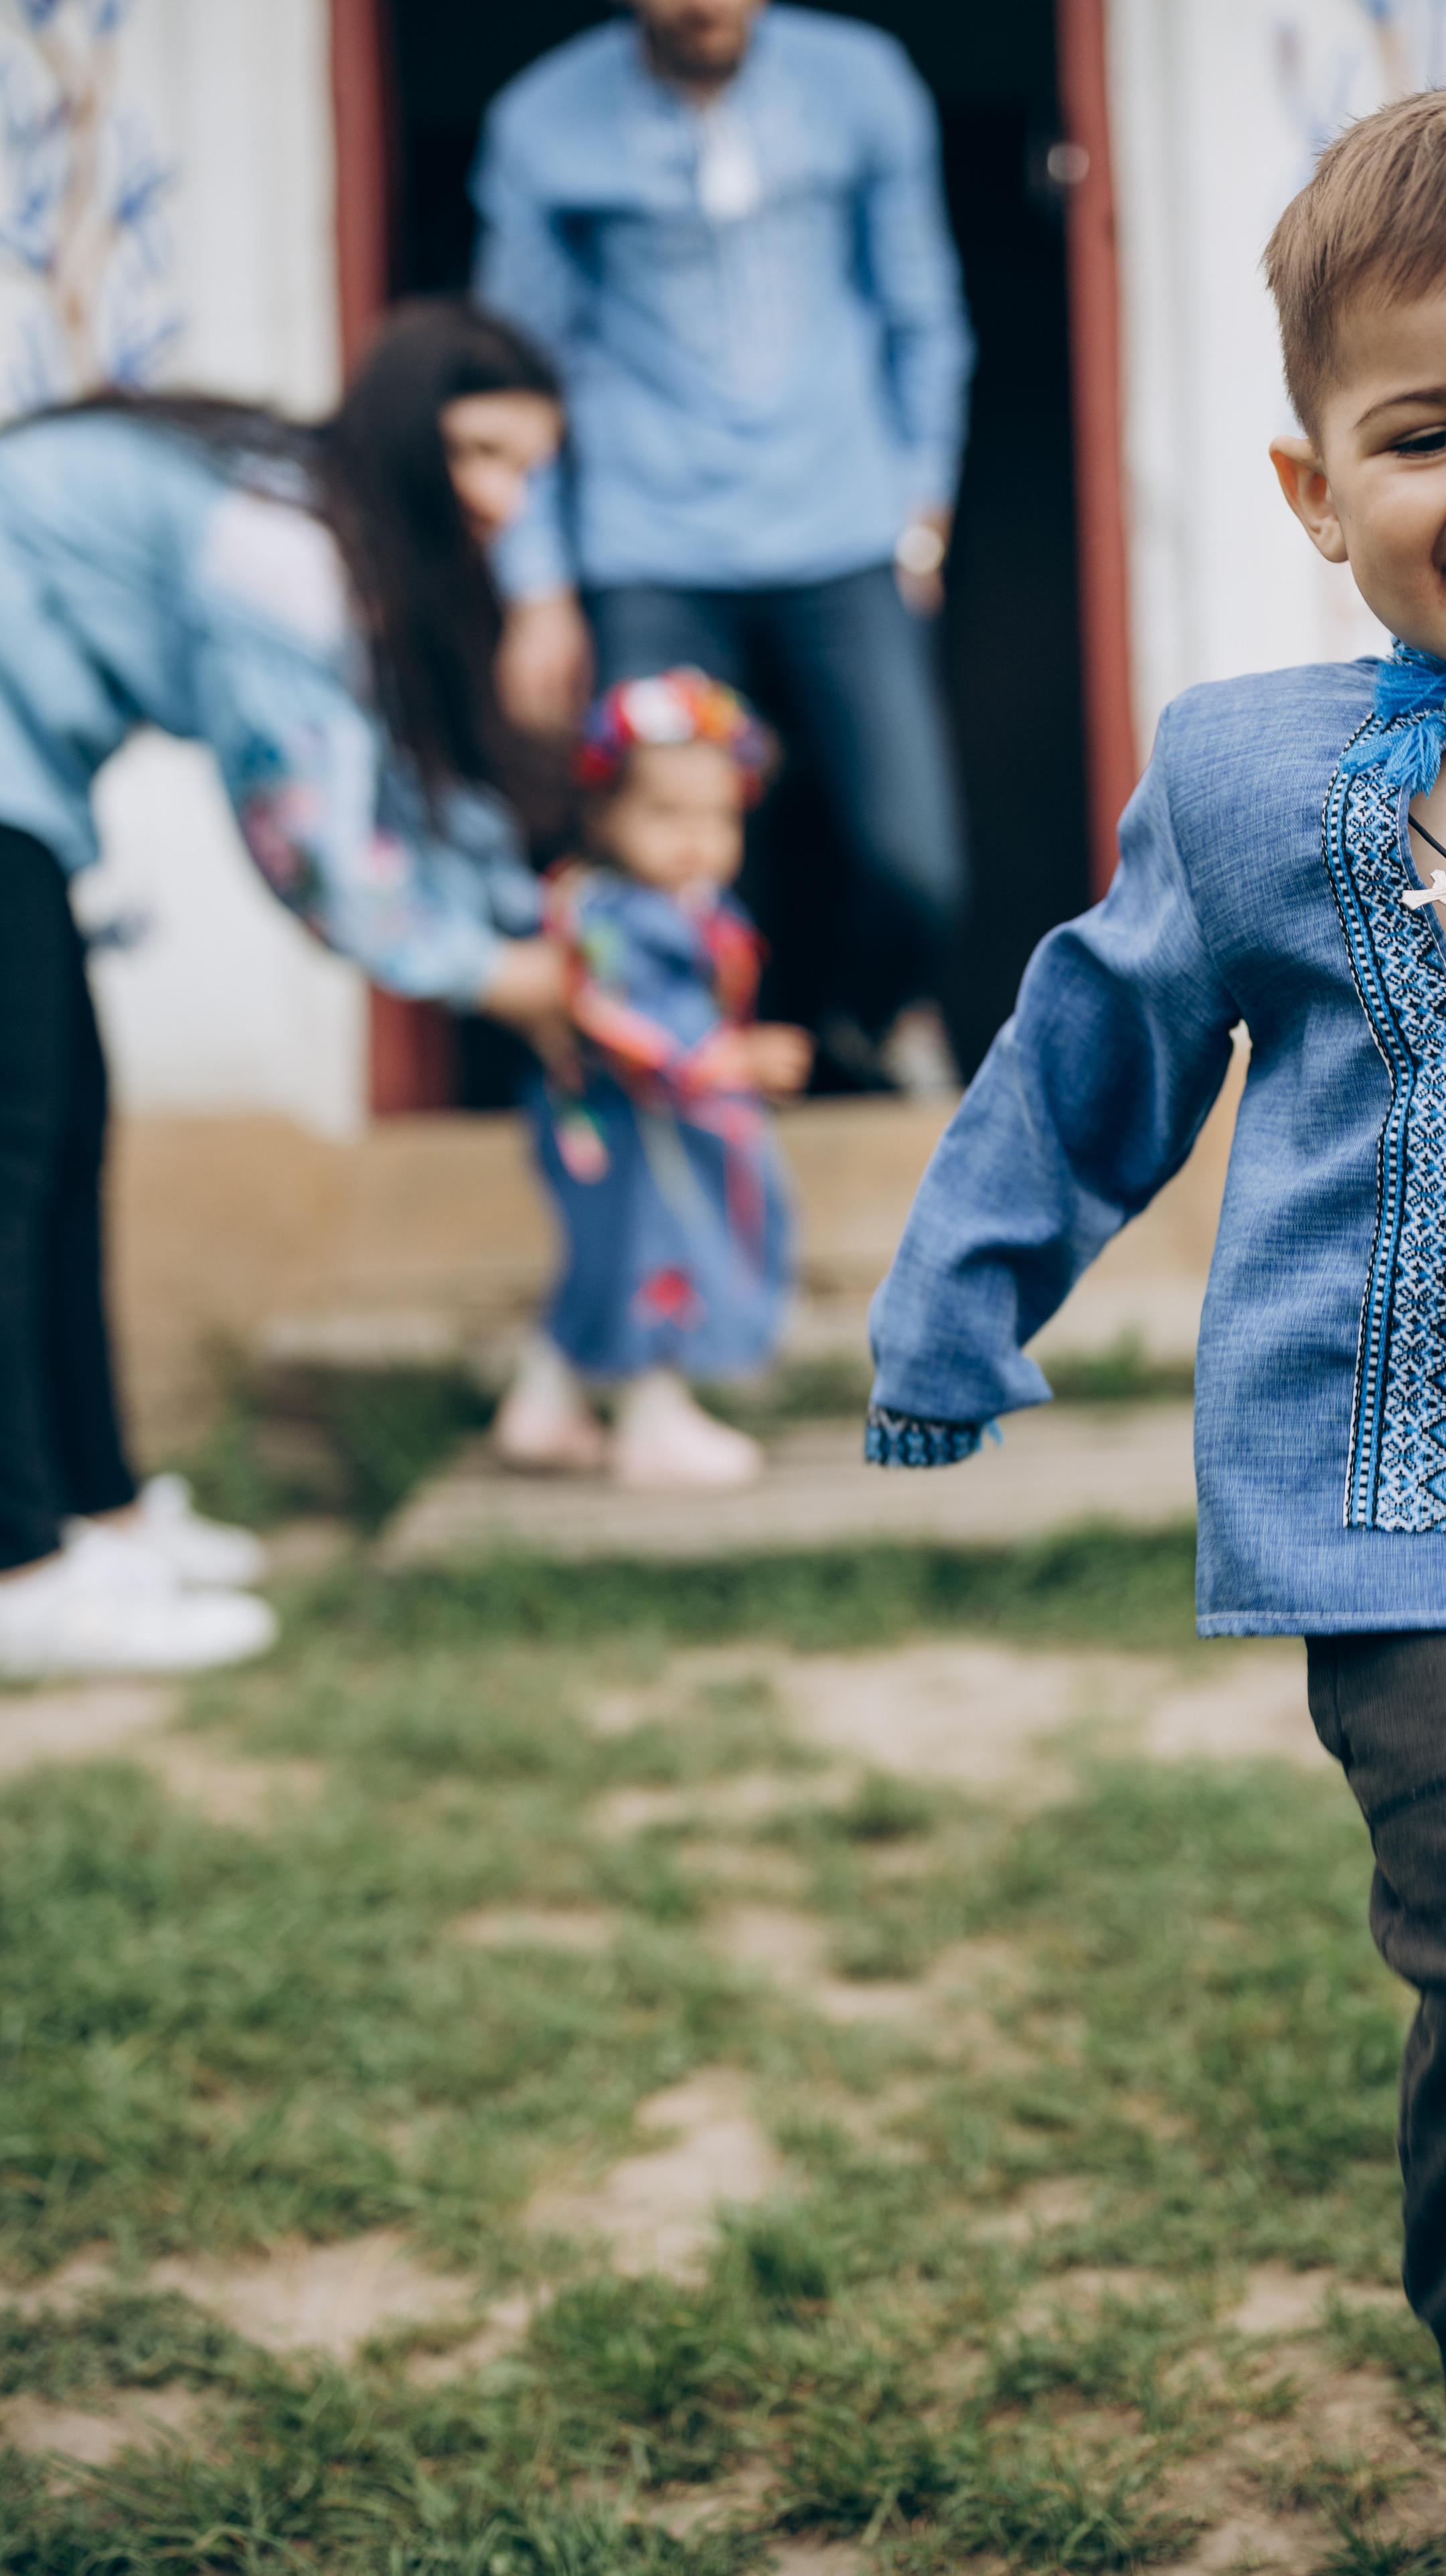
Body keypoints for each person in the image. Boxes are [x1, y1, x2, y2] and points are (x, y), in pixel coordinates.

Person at [866, 73, 1446, 2576]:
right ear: (1306, 486)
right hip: (1396, 1524)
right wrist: (955, 1301)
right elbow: (1085, 1052)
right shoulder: (1243, 780)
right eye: (1424, 430)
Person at [0, 299, 577, 1677]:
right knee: (16, 1158)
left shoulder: (308, 522)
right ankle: (22, 1568)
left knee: (66, 1137)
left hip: (24, 790)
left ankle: (99, 1514)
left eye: (526, 471)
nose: (501, 500)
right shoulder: (284, 553)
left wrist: (515, 922)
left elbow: (391, 795)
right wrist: (495, 973)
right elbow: (312, 841)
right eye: (479, 454)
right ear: (400, 432)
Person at [469, 0, 973, 1096]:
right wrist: (537, 586)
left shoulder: (863, 81)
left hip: (845, 531)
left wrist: (921, 509)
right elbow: (519, 372)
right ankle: (682, 1098)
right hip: (649, 544)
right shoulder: (543, 122)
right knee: (654, 863)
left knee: (912, 856)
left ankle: (861, 1031)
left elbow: (923, 312)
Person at [495, 667, 810, 1491]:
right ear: (601, 812)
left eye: (717, 816)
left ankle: (545, 1402)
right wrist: (727, 1059)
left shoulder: (692, 909)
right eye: (665, 814)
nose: (695, 838)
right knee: (656, 1257)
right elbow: (619, 1017)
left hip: (646, 1123)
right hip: (625, 1124)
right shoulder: (609, 915)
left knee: (605, 1260)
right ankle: (651, 1419)